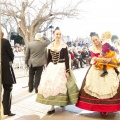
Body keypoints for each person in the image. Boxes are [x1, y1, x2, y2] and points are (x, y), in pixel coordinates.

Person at [76, 32, 120, 117]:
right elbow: (94, 58)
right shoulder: (92, 48)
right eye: (93, 40)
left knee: (110, 86)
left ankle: (107, 108)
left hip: (108, 67)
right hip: (96, 68)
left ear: (99, 38)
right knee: (95, 87)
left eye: (96, 39)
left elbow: (115, 55)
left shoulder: (106, 44)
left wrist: (110, 58)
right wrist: (102, 59)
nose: (95, 41)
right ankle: (99, 108)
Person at [36, 27, 79, 115]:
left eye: (60, 34)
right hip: (52, 68)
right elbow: (48, 59)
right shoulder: (50, 46)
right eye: (57, 34)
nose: (58, 36)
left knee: (61, 85)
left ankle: (62, 101)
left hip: (61, 67)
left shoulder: (64, 46)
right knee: (50, 85)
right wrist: (47, 69)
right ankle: (51, 106)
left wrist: (67, 71)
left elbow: (67, 59)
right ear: (54, 35)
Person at [1, 31, 16, 116]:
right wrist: (9, 61)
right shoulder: (5, 41)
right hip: (5, 67)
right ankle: (6, 110)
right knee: (8, 88)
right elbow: (11, 54)